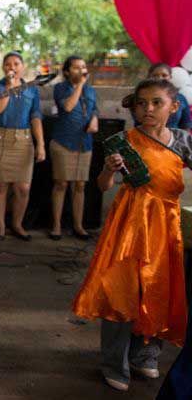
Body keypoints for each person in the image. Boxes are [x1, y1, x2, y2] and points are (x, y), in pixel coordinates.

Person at [72, 78, 192, 392]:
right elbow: (101, 187)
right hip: (129, 224)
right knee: (122, 290)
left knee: (158, 288)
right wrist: (109, 169)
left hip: (166, 224)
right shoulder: (124, 140)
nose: (148, 109)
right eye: (142, 103)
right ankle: (114, 363)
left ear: (174, 107)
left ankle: (146, 354)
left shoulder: (182, 141)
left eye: (156, 103)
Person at [0, 52, 45, 241]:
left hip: (24, 140)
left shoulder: (32, 89)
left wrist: (41, 144)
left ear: (23, 66)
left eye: (16, 63)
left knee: (23, 187)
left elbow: (35, 117)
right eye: (8, 64)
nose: (12, 67)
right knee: (0, 185)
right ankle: (1, 228)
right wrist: (10, 86)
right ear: (4, 67)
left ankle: (17, 225)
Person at [49, 56, 98, 240]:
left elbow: (95, 109)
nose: (81, 71)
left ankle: (78, 225)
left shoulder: (91, 91)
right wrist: (79, 85)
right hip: (63, 142)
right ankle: (56, 226)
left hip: (84, 143)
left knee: (79, 185)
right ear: (68, 72)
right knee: (61, 184)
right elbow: (68, 107)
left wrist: (94, 120)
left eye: (83, 67)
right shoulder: (60, 88)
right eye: (76, 68)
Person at [129, 63, 192, 130]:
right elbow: (139, 121)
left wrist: (182, 139)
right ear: (149, 76)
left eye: (164, 75)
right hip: (144, 137)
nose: (160, 78)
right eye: (155, 75)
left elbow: (186, 124)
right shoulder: (139, 96)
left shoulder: (180, 98)